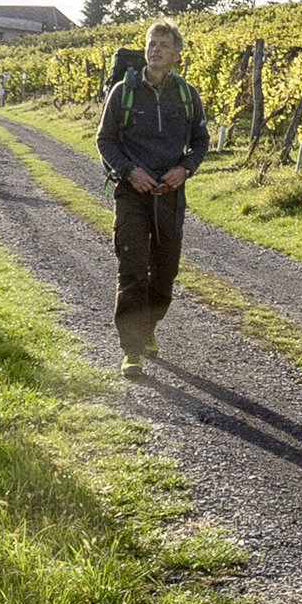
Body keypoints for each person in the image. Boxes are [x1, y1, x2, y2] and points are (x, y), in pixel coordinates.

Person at [96, 19, 208, 371]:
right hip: (132, 193)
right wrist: (130, 172)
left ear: (176, 53)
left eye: (162, 44)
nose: (155, 49)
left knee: (164, 273)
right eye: (150, 43)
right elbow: (105, 140)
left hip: (170, 195)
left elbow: (201, 142)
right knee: (131, 269)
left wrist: (185, 169)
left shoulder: (188, 95)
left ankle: (148, 328)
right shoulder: (123, 92)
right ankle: (131, 350)